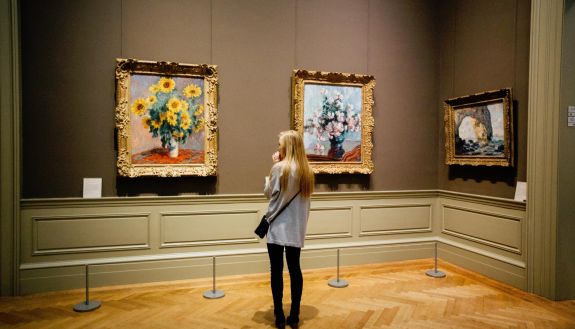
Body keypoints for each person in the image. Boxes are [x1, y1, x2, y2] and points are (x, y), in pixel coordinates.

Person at [264, 130, 314, 329]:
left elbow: (269, 194)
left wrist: (271, 170)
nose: (278, 148)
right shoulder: (307, 171)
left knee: (276, 271)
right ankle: (294, 314)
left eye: (280, 144)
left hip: (277, 227)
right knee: (295, 269)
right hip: (296, 227)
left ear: (288, 147)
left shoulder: (279, 169)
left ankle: (279, 314)